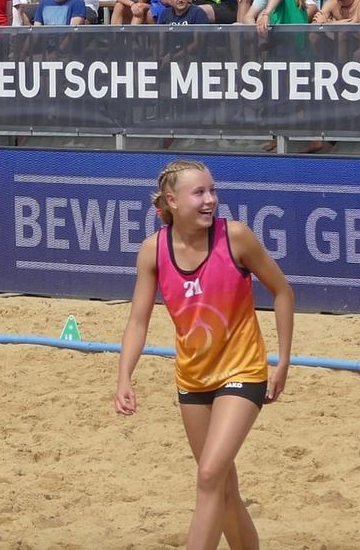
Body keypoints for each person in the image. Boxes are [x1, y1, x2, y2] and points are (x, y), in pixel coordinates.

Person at [116, 160, 294, 550]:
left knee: (210, 475)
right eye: (199, 192)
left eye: (212, 190)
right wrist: (125, 376)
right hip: (193, 379)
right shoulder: (153, 251)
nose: (210, 200)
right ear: (171, 200)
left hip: (243, 371)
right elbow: (138, 322)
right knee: (223, 490)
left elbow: (283, 291)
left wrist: (282, 361)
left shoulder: (236, 237)